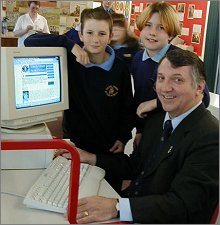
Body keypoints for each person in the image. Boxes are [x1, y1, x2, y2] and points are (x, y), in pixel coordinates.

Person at [57, 48, 219, 224]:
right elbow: (135, 166)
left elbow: (182, 205)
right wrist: (89, 157)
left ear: (199, 88)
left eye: (177, 80)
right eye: (161, 78)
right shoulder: (158, 119)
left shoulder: (210, 136)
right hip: (138, 208)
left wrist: (117, 207)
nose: (165, 87)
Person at [24, 8, 135, 193]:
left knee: (105, 194)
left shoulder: (120, 68)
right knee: (73, 192)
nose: (95, 39)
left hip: (109, 149)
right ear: (81, 35)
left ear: (110, 37)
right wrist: (69, 45)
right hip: (76, 142)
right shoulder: (71, 58)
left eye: (102, 34)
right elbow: (29, 41)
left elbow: (127, 107)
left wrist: (124, 137)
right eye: (89, 33)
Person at [131, 2, 210, 149]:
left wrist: (155, 103)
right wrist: (140, 131)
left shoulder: (182, 59)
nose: (152, 32)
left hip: (174, 133)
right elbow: (140, 98)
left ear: (171, 34)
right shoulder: (137, 59)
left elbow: (203, 98)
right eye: (148, 25)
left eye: (161, 28)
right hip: (148, 132)